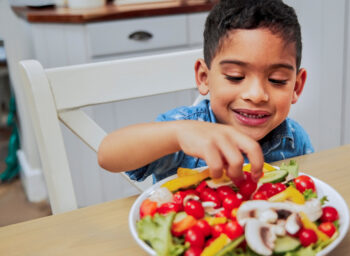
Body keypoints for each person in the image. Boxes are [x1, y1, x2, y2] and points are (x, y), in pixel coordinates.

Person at [97, 0, 313, 184]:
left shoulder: (295, 138)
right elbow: (108, 155)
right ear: (204, 77)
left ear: (296, 86)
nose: (256, 95)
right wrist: (177, 135)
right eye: (235, 76)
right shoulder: (184, 133)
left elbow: (309, 188)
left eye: (277, 80)